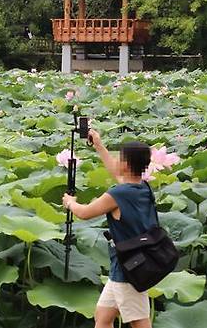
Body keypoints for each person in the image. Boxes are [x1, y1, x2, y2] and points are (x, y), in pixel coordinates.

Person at [62, 129, 155, 328]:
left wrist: (70, 203)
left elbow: (85, 213)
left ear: (127, 164)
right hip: (127, 264)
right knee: (102, 318)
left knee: (140, 323)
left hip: (130, 268)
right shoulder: (142, 188)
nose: (117, 162)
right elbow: (116, 173)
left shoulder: (118, 194)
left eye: (119, 158)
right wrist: (98, 145)